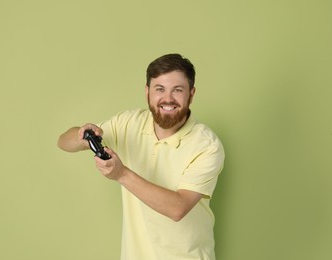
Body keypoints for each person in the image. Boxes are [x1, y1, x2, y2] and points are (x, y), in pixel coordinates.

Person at [57, 53, 225, 260]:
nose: (168, 99)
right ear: (147, 92)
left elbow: (178, 208)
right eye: (159, 89)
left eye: (178, 90)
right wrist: (82, 136)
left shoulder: (207, 145)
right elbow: (63, 142)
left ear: (191, 94)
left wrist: (121, 174)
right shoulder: (128, 123)